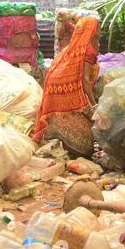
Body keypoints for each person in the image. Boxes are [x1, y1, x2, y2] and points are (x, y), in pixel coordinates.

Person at [33, 16, 101, 157]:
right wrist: (95, 107)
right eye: (97, 27)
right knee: (85, 146)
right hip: (62, 101)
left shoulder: (74, 47)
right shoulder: (87, 50)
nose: (100, 30)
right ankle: (64, 142)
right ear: (92, 30)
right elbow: (85, 82)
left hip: (56, 98)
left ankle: (56, 139)